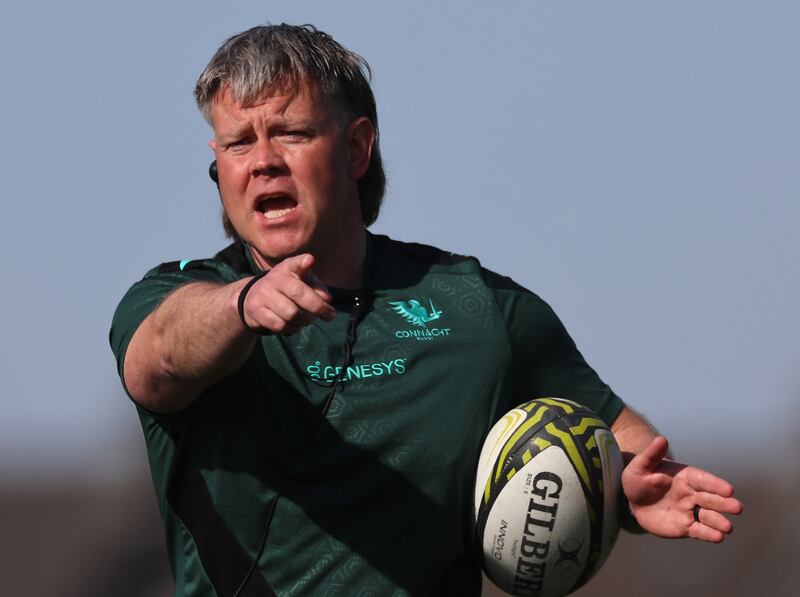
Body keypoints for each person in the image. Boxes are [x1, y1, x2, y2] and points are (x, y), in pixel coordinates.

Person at [109, 23, 743, 597]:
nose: (263, 160)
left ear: (357, 149)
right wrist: (244, 305)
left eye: (291, 132)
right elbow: (157, 357)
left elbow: (619, 441)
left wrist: (620, 492)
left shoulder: (477, 309)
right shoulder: (178, 299)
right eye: (237, 143)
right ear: (217, 169)